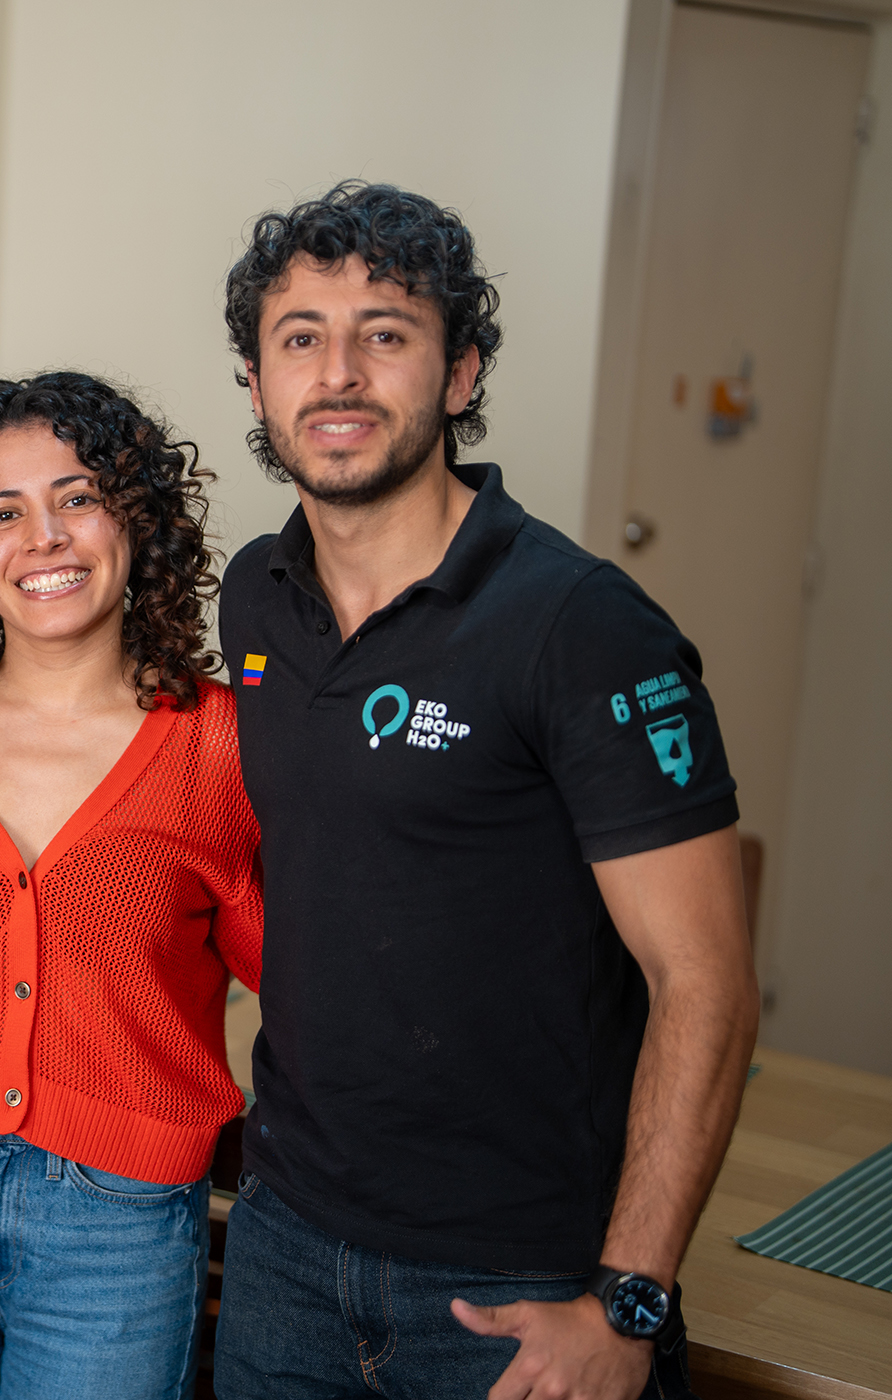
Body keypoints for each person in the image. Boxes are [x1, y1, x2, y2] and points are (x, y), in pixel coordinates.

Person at [209, 182, 759, 1400]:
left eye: (387, 333)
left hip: (520, 1287)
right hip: (286, 1250)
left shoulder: (580, 625)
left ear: (460, 374)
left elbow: (706, 981)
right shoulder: (256, 596)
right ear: (255, 383)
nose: (338, 373)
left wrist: (629, 1295)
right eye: (301, 337)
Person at [0, 372, 264, 1400]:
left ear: (135, 519)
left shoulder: (225, 742)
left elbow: (310, 984)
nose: (46, 537)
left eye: (78, 496)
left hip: (117, 1214)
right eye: (3, 511)